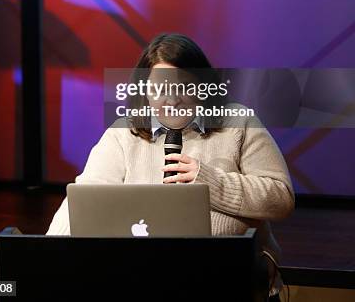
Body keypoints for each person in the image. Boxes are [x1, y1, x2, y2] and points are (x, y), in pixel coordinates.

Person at [46, 33, 295, 300]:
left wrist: (210, 182)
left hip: (228, 279)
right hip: (143, 279)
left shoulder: (238, 122)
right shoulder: (122, 134)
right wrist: (45, 259)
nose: (172, 100)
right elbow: (83, 203)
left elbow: (281, 198)